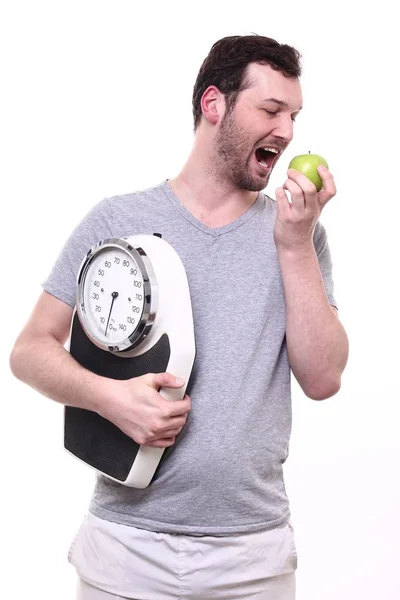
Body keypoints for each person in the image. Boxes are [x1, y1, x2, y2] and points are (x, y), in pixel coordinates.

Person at [10, 34, 349, 600]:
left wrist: (294, 244)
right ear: (213, 105)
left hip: (253, 559)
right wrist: (108, 397)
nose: (288, 133)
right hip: (124, 550)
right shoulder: (117, 219)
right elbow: (30, 349)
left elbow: (323, 379)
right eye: (271, 110)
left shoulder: (299, 232)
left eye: (294, 116)